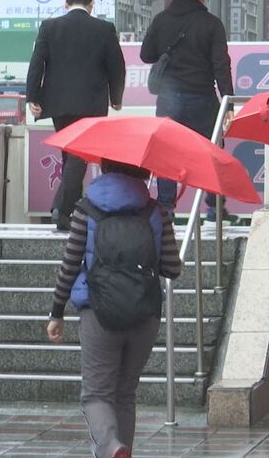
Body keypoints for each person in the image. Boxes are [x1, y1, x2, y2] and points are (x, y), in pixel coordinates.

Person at [46, 160, 181, 458]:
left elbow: (69, 265)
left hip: (98, 313)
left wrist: (57, 312)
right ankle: (122, 450)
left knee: (96, 394)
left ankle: (110, 446)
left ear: (104, 166)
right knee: (124, 393)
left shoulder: (86, 209)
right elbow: (173, 268)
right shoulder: (155, 210)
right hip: (144, 313)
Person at [26, 0, 126, 230]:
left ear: (66, 4)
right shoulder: (104, 29)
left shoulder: (50, 27)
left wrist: (32, 98)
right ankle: (62, 208)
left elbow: (37, 63)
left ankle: (68, 210)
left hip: (57, 103)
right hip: (91, 103)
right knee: (78, 155)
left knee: (71, 153)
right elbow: (117, 66)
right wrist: (116, 97)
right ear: (92, 4)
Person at [140, 0, 234, 220]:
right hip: (202, 97)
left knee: (166, 153)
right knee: (212, 151)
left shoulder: (162, 19)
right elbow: (221, 66)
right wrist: (228, 102)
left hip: (168, 98)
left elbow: (146, 54)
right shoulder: (211, 24)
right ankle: (214, 207)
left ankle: (165, 208)